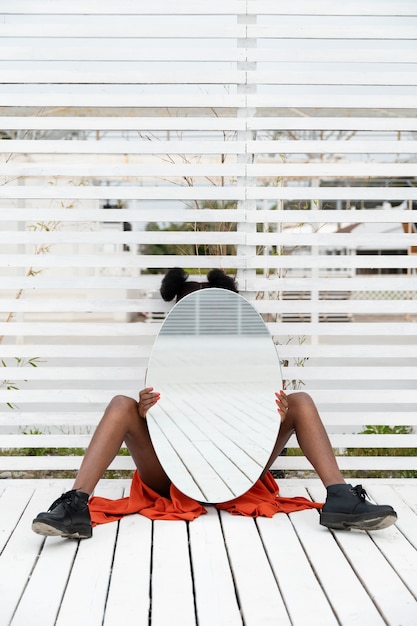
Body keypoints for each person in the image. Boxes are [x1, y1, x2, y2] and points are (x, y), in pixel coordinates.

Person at [32, 268, 397, 539]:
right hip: (171, 471)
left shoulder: (246, 360)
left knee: (299, 401)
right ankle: (76, 503)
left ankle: (339, 497)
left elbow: (247, 419)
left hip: (238, 464)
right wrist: (146, 414)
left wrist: (273, 415)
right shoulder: (167, 359)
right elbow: (166, 420)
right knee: (120, 404)